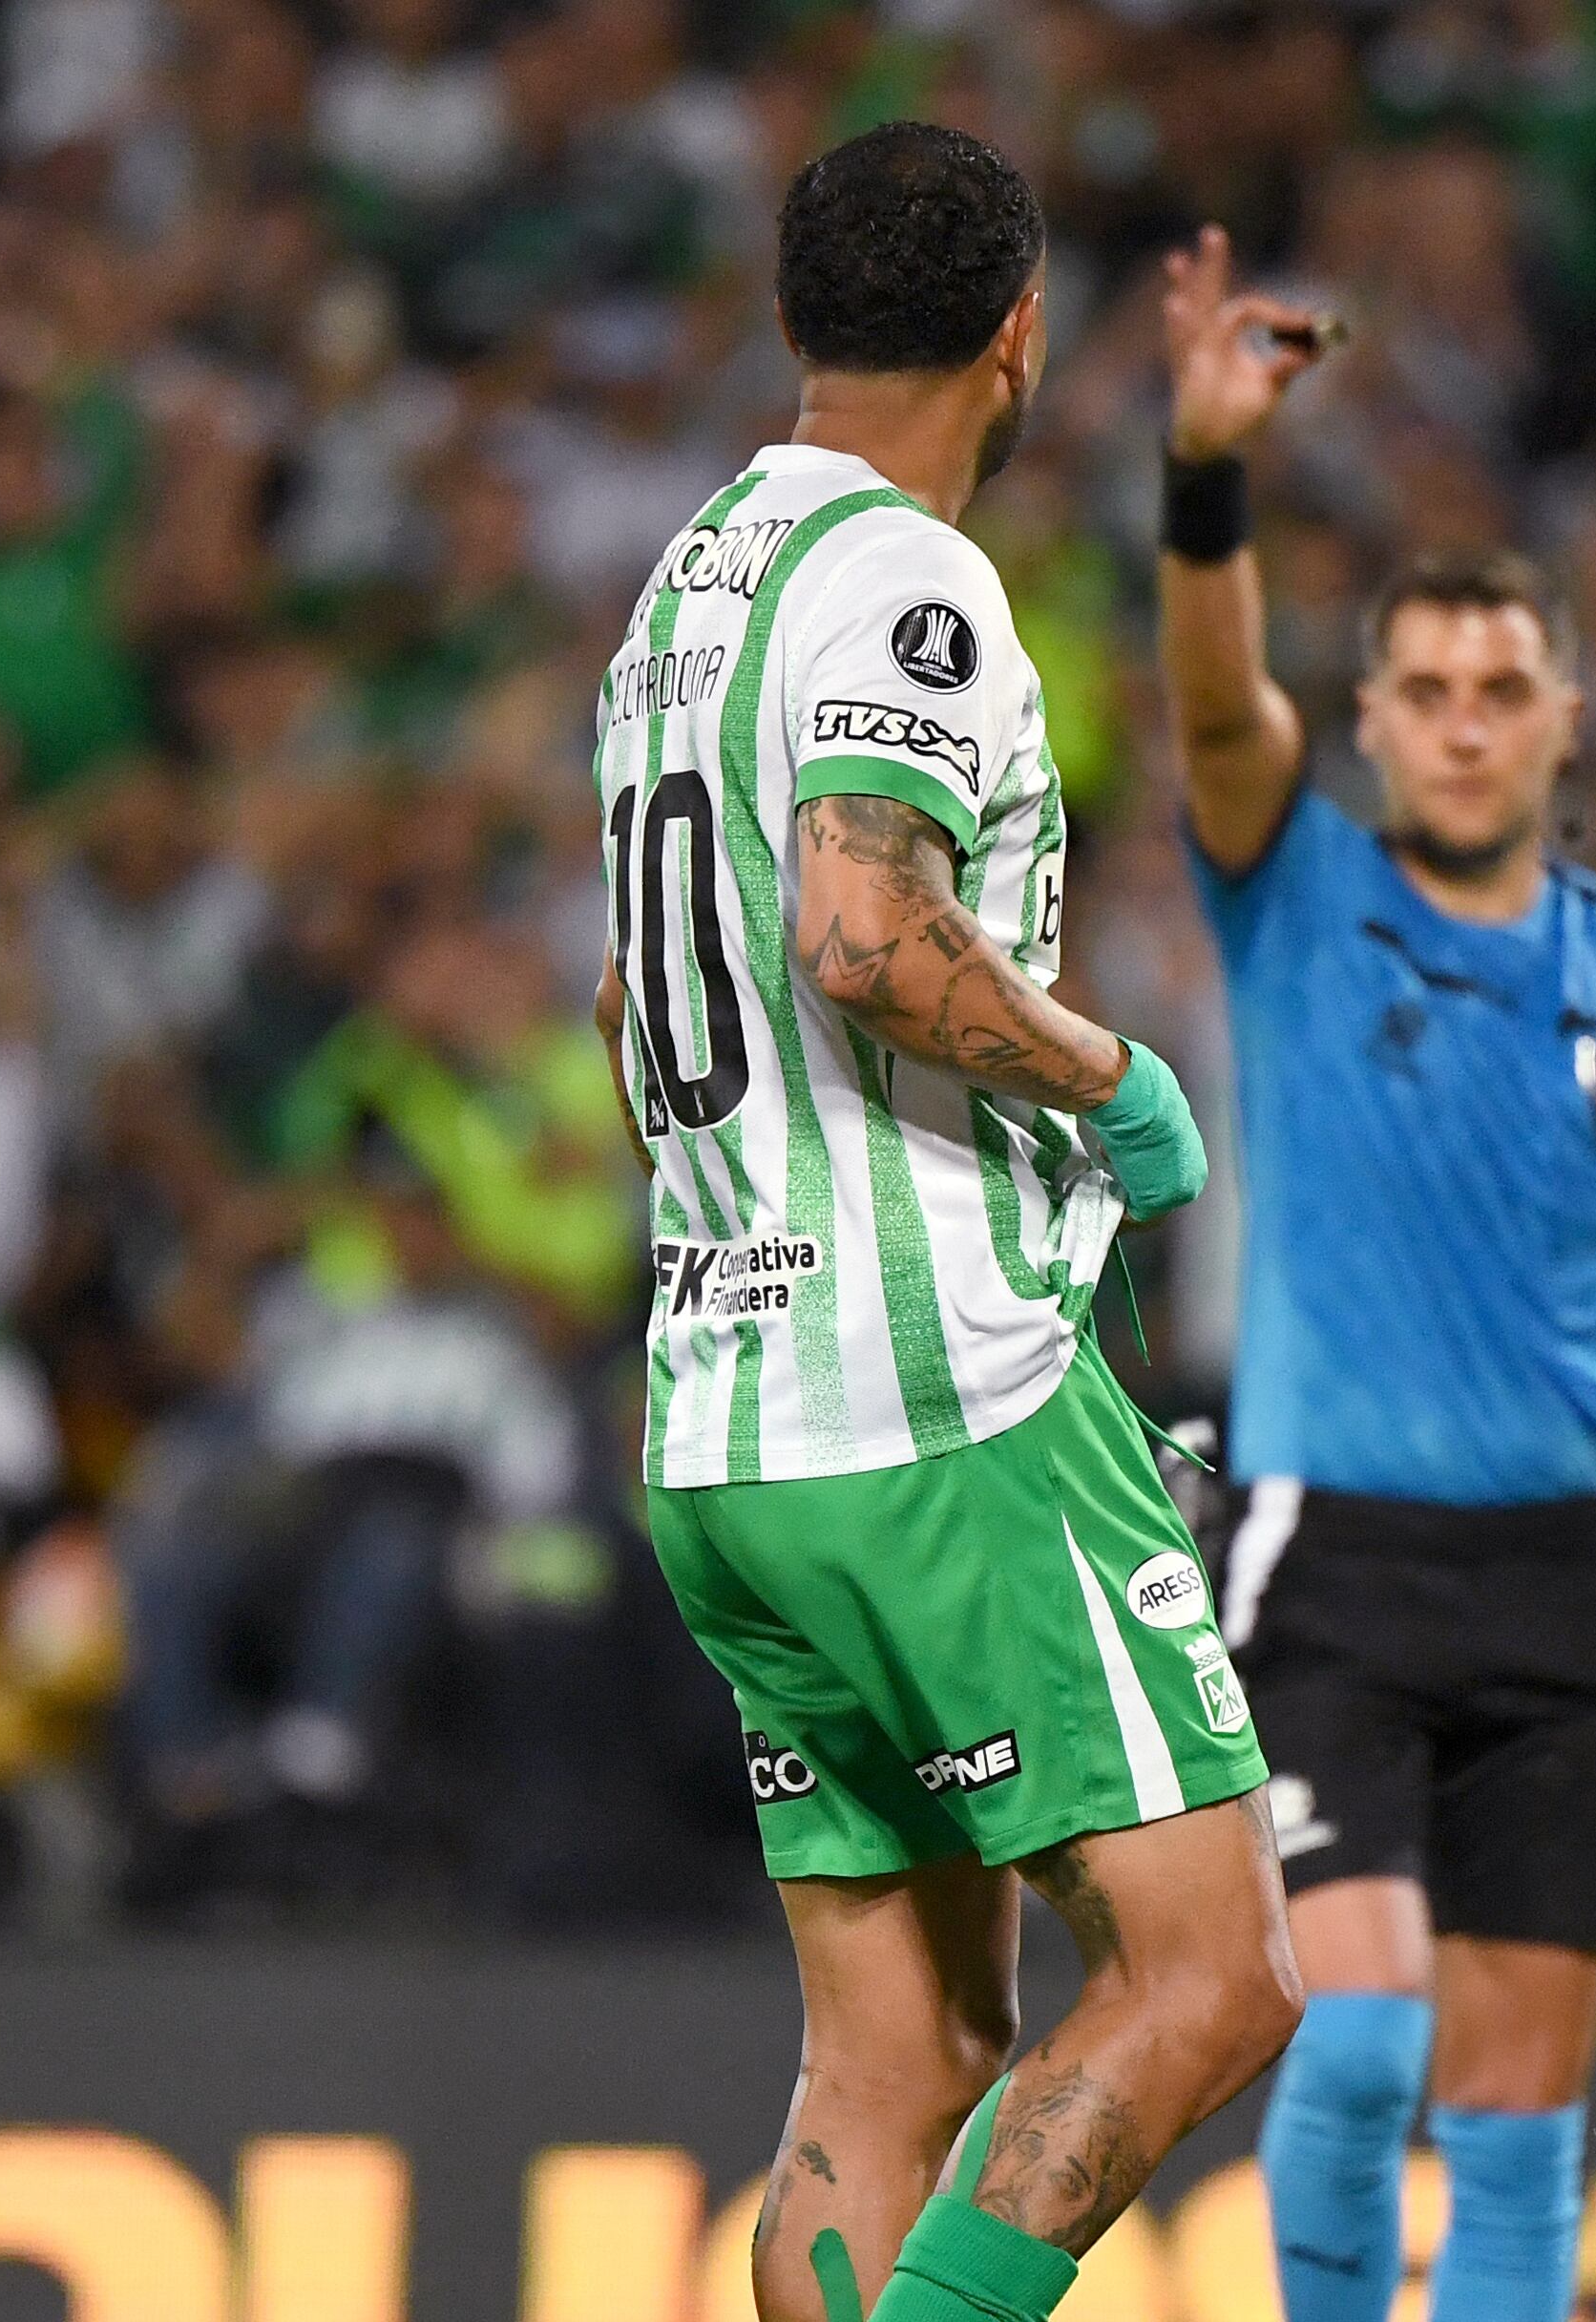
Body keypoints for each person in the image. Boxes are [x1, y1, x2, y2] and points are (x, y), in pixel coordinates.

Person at [592, 126, 1298, 2322]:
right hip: (939, 1410)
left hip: (726, 1419)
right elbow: (862, 932)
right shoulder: (909, 582)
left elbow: (634, 991)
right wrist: (1115, 1079)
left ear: (798, 319)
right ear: (1020, 333)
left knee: (895, 2059)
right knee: (1209, 1977)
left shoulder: (674, 595)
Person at [1153, 225, 1596, 2322]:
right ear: (1364, 721)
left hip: (1568, 1574)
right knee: (1349, 2048)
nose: (1454, 725)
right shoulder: (1294, 888)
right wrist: (1203, 473)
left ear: (1559, 719)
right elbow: (1205, 691)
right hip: (1327, 1559)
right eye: (1417, 693)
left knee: (1520, 2114)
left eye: (1494, 690)